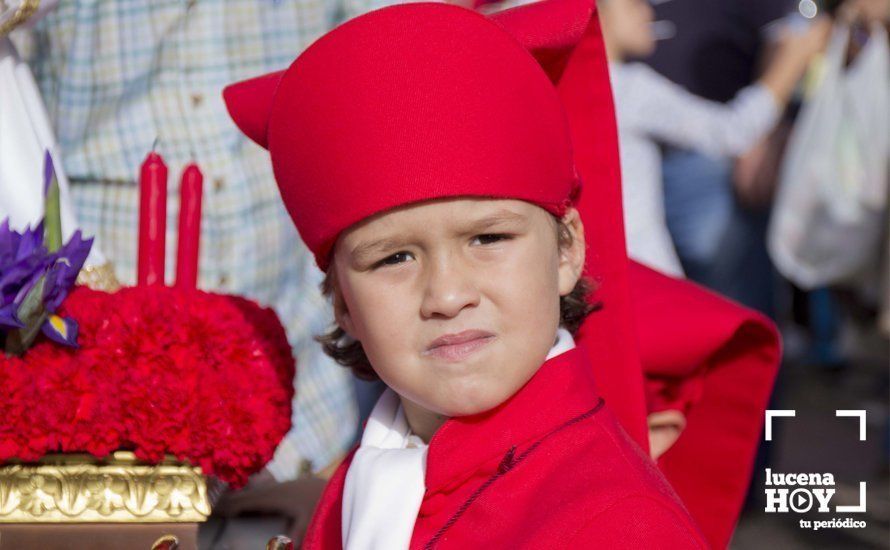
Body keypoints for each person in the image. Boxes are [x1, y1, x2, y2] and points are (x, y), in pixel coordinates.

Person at [223, 2, 708, 547]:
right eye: (394, 258)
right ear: (340, 300)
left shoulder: (618, 525)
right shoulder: (356, 482)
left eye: (489, 238)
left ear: (567, 248)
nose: (448, 295)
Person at [597, 0, 830, 276]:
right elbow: (730, 133)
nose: (649, 13)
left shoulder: (578, 85)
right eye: (635, 5)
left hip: (609, 264)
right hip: (646, 270)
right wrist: (789, 64)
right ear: (597, 14)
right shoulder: (627, 88)